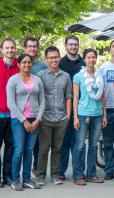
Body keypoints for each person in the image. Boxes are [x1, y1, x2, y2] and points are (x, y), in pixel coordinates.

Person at [6, 54, 45, 191]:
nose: (27, 65)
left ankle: (27, 179)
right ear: (18, 64)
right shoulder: (13, 80)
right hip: (18, 120)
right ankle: (15, 180)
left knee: (29, 150)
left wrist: (38, 119)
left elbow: (42, 102)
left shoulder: (37, 80)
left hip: (34, 120)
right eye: (24, 62)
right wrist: (24, 121)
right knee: (19, 150)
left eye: (29, 62)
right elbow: (11, 103)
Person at [36, 46, 72, 186]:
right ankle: (40, 175)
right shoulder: (40, 76)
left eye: (56, 57)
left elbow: (68, 96)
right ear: (46, 59)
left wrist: (68, 115)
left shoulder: (66, 76)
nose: (54, 60)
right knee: (43, 149)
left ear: (59, 57)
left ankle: (55, 175)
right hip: (45, 118)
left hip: (61, 118)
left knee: (57, 149)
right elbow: (37, 97)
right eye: (51, 57)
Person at [72, 48, 107, 185]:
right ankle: (78, 175)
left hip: (97, 114)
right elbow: (75, 97)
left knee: (93, 146)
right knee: (80, 145)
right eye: (88, 57)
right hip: (82, 114)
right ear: (84, 59)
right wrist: (75, 117)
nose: (91, 60)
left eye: (93, 57)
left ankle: (91, 174)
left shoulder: (100, 75)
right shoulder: (78, 76)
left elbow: (103, 96)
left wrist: (104, 114)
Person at [58, 35, 86, 180]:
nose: (73, 47)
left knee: (79, 142)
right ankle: (61, 171)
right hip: (63, 108)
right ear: (66, 46)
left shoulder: (84, 63)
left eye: (76, 44)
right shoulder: (60, 63)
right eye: (71, 44)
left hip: (81, 108)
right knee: (63, 140)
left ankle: (79, 171)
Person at [98, 39, 114, 180]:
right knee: (108, 142)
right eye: (113, 46)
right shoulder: (103, 67)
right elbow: (101, 90)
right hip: (107, 108)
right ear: (109, 50)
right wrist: (102, 112)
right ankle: (109, 169)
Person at [24, 36, 48, 176]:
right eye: (29, 46)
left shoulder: (43, 66)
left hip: (37, 111)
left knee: (37, 144)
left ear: (37, 48)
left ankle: (36, 169)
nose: (32, 48)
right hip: (20, 111)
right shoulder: (19, 63)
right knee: (20, 146)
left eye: (34, 46)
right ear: (25, 48)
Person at [0, 38, 19, 187]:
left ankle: (7, 176)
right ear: (2, 50)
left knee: (11, 147)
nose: (10, 50)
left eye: (12, 48)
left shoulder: (20, 65)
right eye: (7, 48)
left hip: (14, 115)